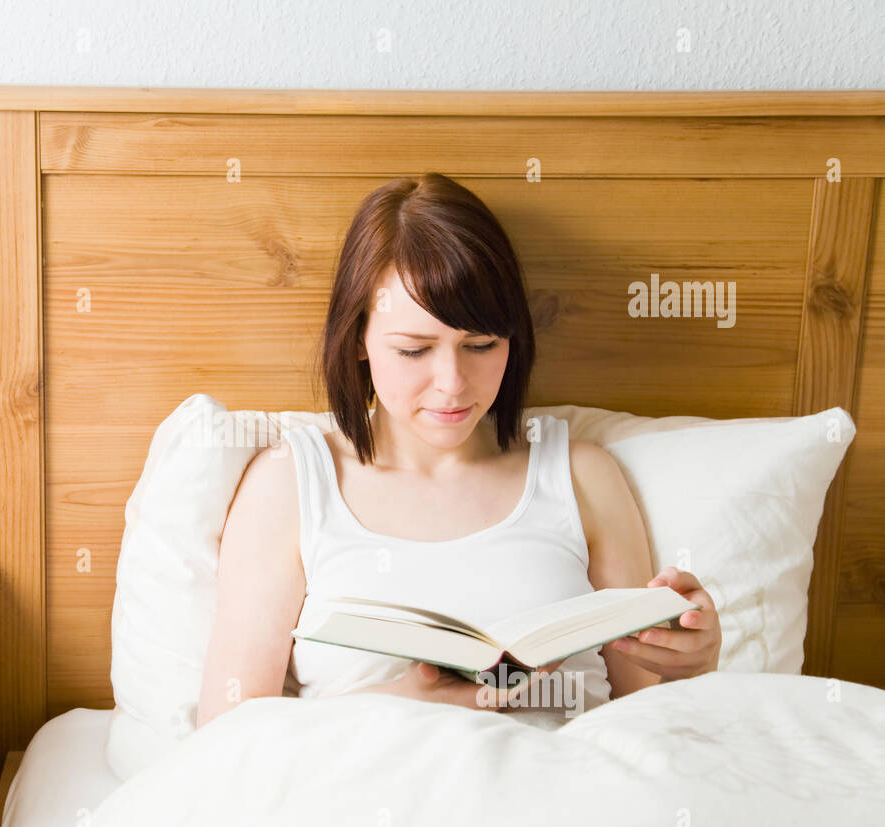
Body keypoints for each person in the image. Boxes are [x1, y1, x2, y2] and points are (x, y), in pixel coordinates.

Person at [197, 173, 720, 729]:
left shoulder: (581, 474)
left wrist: (692, 663)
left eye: (480, 345)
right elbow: (226, 733)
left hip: (564, 789)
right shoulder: (290, 484)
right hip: (373, 792)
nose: (452, 382)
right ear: (358, 339)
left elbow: (640, 712)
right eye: (414, 350)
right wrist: (401, 702)